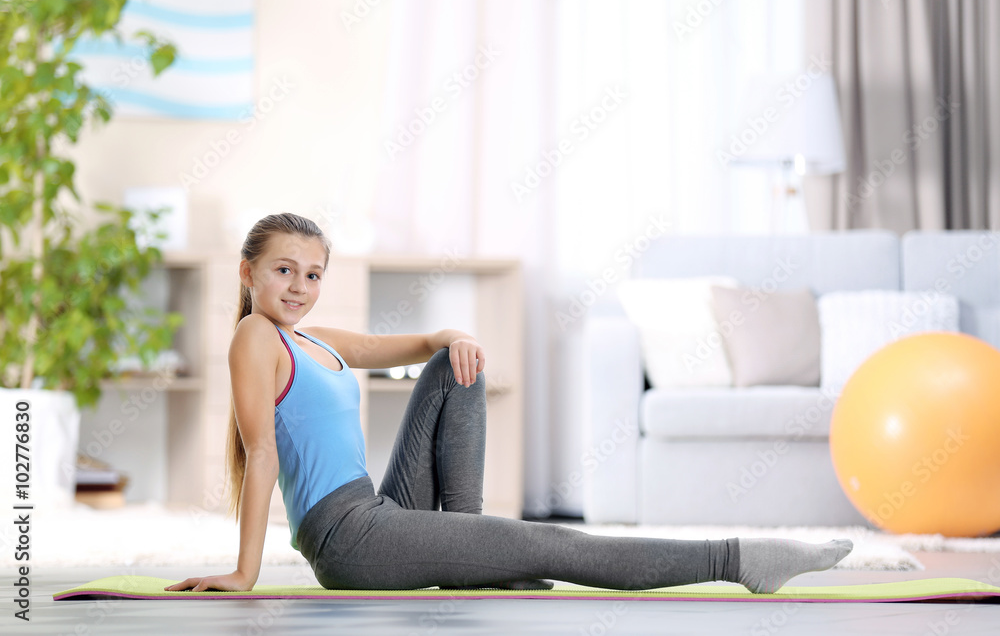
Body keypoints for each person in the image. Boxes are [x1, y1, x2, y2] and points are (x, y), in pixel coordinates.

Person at [165, 212, 852, 594]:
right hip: (350, 539)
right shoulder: (254, 336)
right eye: (284, 269)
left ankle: (472, 558)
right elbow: (260, 452)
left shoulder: (310, 337)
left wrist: (455, 334)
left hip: (379, 508)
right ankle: (739, 560)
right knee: (547, 541)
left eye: (312, 273)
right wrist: (244, 573)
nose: (298, 285)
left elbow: (410, 343)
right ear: (249, 271)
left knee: (453, 365)